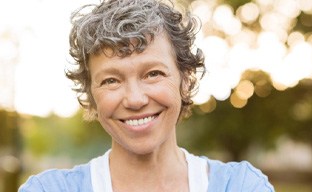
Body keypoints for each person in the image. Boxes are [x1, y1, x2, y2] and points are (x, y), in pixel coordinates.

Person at [19, 0, 275, 191]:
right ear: (91, 95)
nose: (135, 99)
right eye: (111, 80)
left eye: (152, 74)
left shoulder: (241, 186)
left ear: (185, 79)